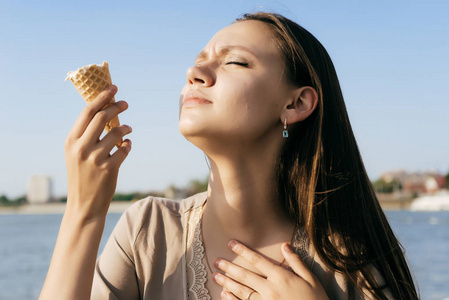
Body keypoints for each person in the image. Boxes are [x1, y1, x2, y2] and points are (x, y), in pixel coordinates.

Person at [39, 12, 418, 300]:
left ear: (296, 103)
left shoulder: (351, 266)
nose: (195, 72)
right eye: (199, 60)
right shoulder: (149, 232)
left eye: (234, 61)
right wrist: (84, 212)